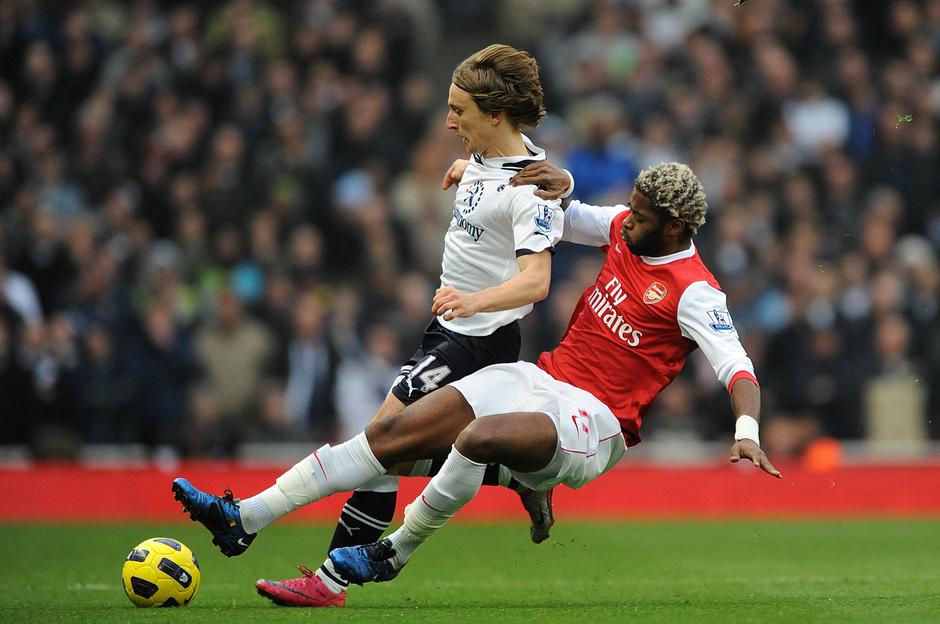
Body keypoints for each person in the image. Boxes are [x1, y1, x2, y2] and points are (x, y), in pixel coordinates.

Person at [172, 159, 780, 601]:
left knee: (479, 438)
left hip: (595, 423)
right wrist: (502, 177)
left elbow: (737, 365)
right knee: (390, 436)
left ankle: (392, 554)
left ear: (674, 227)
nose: (627, 221)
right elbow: (564, 218)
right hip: (537, 380)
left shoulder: (695, 290)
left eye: (642, 217)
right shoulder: (626, 227)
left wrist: (747, 429)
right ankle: (243, 519)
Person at [173, 43, 567, 608]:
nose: (449, 121)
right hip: (452, 335)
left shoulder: (531, 188)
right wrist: (469, 172)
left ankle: (252, 523)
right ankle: (522, 477)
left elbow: (536, 283)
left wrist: (472, 300)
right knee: (387, 453)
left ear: (495, 114)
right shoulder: (494, 158)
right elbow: (503, 175)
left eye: (459, 111)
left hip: (476, 342)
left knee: (375, 447)